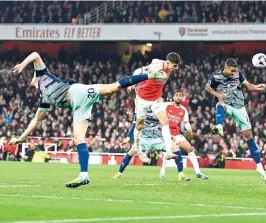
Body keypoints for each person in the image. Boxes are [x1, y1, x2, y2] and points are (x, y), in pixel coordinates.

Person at [10, 52, 168, 188]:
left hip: (79, 92)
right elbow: (35, 122)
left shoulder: (43, 75)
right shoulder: (44, 100)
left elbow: (35, 55)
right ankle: (84, 174)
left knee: (113, 88)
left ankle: (149, 75)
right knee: (78, 138)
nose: (31, 84)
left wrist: (22, 65)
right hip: (78, 108)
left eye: (31, 81)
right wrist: (21, 138)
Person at [206, 58, 266, 182]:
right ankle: (219, 126)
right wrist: (218, 95)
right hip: (226, 104)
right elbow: (208, 88)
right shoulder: (216, 77)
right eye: (231, 71)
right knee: (220, 105)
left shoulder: (238, 74)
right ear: (225, 68)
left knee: (248, 136)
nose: (233, 73)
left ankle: (259, 166)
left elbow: (248, 86)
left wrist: (258, 87)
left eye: (235, 71)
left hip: (240, 107)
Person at [113, 109, 191, 181]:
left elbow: (165, 125)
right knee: (131, 151)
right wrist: (127, 140)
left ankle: (181, 174)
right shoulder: (140, 110)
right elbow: (134, 127)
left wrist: (170, 136)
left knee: (175, 148)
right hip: (144, 140)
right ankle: (119, 173)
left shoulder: (159, 110)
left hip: (158, 139)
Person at [131, 53, 181, 162]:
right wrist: (133, 82)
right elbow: (139, 71)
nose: (175, 68)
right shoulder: (156, 66)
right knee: (139, 125)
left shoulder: (170, 68)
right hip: (143, 98)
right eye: (174, 66)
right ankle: (139, 150)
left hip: (156, 99)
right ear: (168, 63)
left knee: (165, 121)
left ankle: (168, 151)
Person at [160, 90, 208, 179]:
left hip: (177, 134)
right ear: (173, 97)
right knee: (174, 150)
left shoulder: (183, 110)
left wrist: (189, 130)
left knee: (190, 149)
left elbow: (186, 123)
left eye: (180, 95)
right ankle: (178, 173)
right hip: (167, 133)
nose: (178, 97)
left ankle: (198, 172)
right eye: (176, 95)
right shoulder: (166, 105)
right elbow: (158, 112)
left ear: (182, 98)